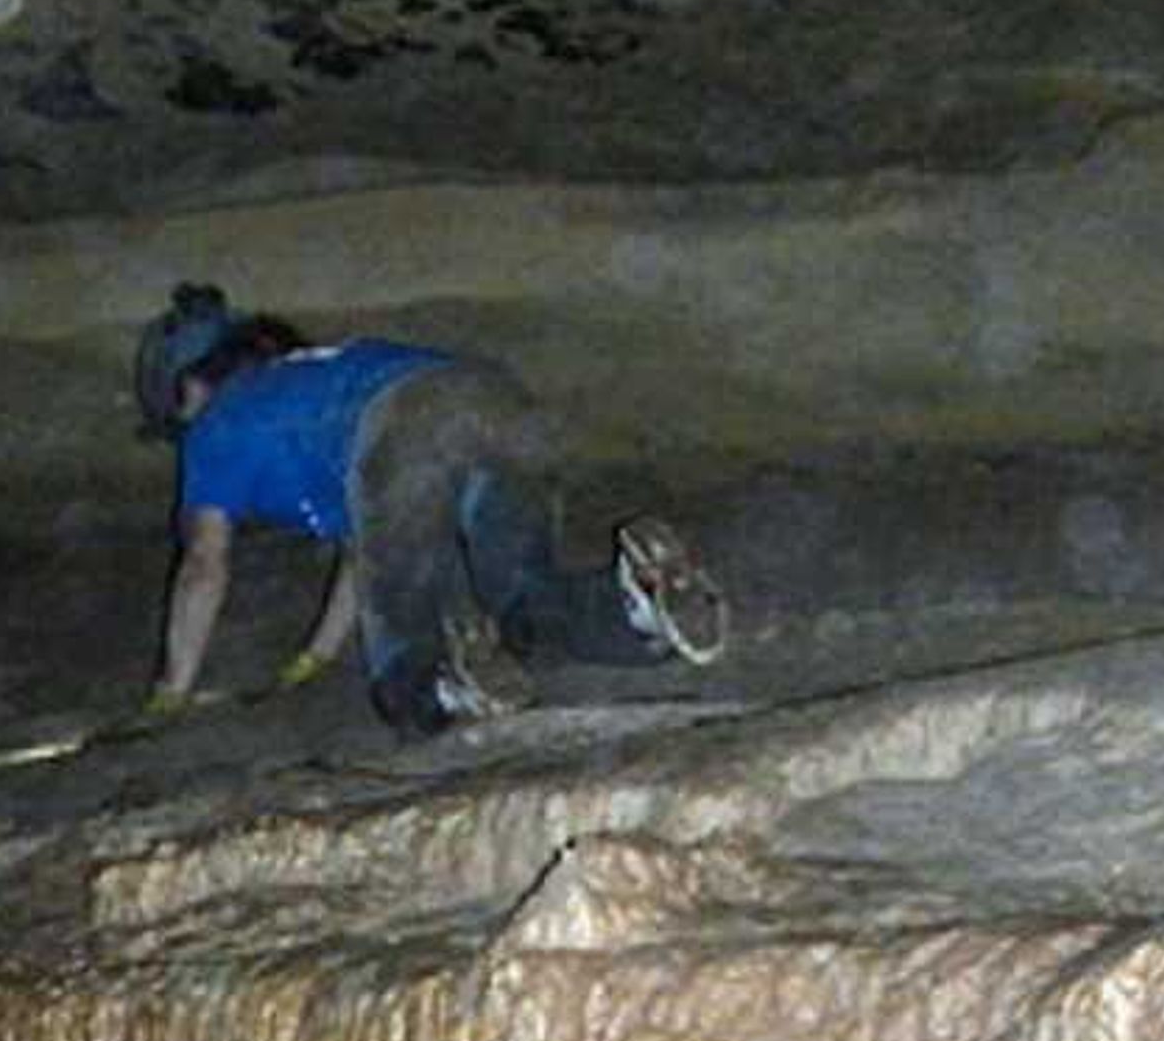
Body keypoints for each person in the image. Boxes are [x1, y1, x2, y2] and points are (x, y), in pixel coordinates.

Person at [130, 281, 727, 736]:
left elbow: (204, 563)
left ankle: (446, 684)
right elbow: (367, 552)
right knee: (526, 601)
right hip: (495, 399)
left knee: (403, 680)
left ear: (187, 387)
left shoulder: (217, 425)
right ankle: (639, 606)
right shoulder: (314, 386)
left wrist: (170, 694)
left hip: (403, 422)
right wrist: (315, 658)